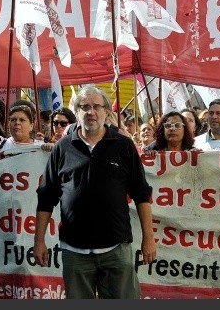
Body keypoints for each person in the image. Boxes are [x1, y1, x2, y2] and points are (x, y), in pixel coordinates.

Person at [33, 85, 156, 299]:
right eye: (85, 107)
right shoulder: (62, 148)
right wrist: (39, 241)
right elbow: (46, 197)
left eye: (97, 107)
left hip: (116, 249)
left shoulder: (124, 146)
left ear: (107, 112)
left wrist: (149, 238)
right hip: (75, 251)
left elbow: (141, 194)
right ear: (77, 111)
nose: (91, 112)